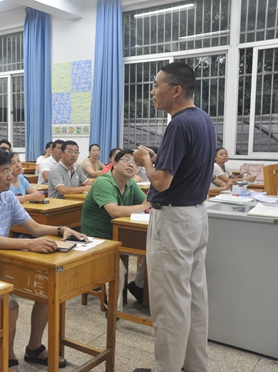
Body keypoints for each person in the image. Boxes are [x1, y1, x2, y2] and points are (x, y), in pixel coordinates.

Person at [0, 147, 87, 372]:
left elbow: (33, 228)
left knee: (48, 290)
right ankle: (8, 356)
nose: (11, 174)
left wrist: (61, 229)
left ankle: (34, 348)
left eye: (10, 168)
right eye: (5, 170)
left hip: (1, 267)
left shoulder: (7, 198)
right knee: (11, 306)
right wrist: (28, 244)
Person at [132, 62, 215, 372]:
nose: (153, 91)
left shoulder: (178, 124)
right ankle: (194, 366)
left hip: (173, 220)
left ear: (176, 90)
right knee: (193, 297)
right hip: (195, 216)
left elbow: (162, 182)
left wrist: (144, 161)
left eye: (157, 85)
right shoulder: (203, 119)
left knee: (169, 302)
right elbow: (182, 169)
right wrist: (157, 160)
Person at [81, 150, 150, 307]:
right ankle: (113, 309)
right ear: (114, 163)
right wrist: (144, 206)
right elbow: (114, 211)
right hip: (97, 238)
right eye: (126, 160)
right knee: (118, 269)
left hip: (119, 235)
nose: (131, 164)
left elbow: (146, 204)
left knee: (152, 250)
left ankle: (139, 286)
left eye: (134, 162)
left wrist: (146, 205)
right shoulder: (103, 182)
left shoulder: (130, 183)